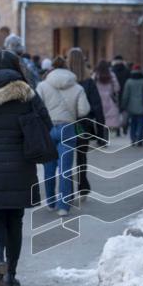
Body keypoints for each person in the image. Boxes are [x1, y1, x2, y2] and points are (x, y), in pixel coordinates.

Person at [0, 50, 54, 286]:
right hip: (21, 165)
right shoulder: (27, 94)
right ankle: (11, 275)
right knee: (16, 220)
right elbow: (46, 124)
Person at [36, 55, 89, 216]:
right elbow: (83, 110)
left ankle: (51, 202)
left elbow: (36, 108)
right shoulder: (77, 87)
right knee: (66, 168)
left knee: (49, 167)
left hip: (48, 127)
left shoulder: (43, 85)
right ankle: (63, 206)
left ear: (51, 68)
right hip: (68, 127)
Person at [71, 49, 105, 202]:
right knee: (81, 157)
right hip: (84, 124)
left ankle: (67, 189)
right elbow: (96, 105)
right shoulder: (88, 81)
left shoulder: (63, 79)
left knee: (65, 158)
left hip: (65, 123)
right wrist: (101, 131)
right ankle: (82, 186)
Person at [120, 64, 143, 146]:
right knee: (141, 123)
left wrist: (123, 105)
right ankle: (140, 139)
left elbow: (125, 95)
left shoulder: (129, 82)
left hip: (131, 107)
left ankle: (133, 139)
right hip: (142, 106)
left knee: (133, 123)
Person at [94, 60, 122, 137]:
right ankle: (106, 136)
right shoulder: (111, 75)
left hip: (98, 100)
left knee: (99, 119)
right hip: (109, 100)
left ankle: (101, 137)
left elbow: (92, 88)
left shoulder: (96, 75)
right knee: (108, 120)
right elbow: (117, 88)